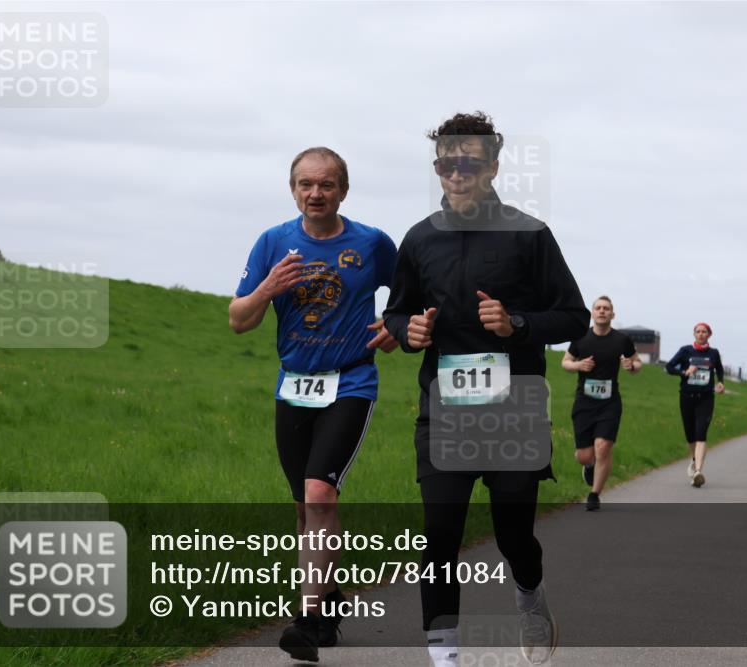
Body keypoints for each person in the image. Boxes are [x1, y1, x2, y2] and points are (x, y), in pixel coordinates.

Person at [384, 111, 589, 667]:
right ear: (437, 168)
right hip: (445, 410)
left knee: (513, 535)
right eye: (447, 162)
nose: (457, 172)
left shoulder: (530, 234)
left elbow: (572, 316)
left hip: (514, 410)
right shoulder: (419, 239)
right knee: (438, 535)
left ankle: (529, 595)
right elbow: (397, 311)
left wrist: (516, 325)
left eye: (469, 161)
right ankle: (444, 655)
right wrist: (410, 331)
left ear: (493, 166)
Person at [229, 147, 399, 662]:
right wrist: (267, 288)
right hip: (294, 386)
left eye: (326, 184)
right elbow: (238, 319)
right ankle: (326, 604)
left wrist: (396, 324)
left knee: (321, 493)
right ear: (293, 189)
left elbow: (414, 292)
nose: (315, 194)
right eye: (305, 184)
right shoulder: (273, 242)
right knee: (305, 507)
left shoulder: (371, 243)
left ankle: (304, 621)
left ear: (343, 190)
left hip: (350, 383)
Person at [561, 296, 642, 511]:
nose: (602, 311)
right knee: (584, 455)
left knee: (603, 447)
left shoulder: (621, 340)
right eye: (598, 308)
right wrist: (579, 365)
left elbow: (637, 362)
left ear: (612, 314)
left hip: (610, 403)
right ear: (593, 313)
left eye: (606, 308)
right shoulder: (581, 337)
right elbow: (565, 362)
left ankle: (594, 494)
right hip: (584, 402)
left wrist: (631, 366)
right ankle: (589, 466)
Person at [665, 323, 725, 488]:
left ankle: (698, 471)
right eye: (698, 331)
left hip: (705, 399)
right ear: (694, 334)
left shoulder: (713, 353)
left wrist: (720, 383)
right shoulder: (686, 351)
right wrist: (684, 372)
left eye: (704, 332)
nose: (701, 334)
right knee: (690, 435)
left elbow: (719, 369)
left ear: (709, 334)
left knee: (701, 434)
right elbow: (669, 367)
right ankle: (694, 459)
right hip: (686, 397)